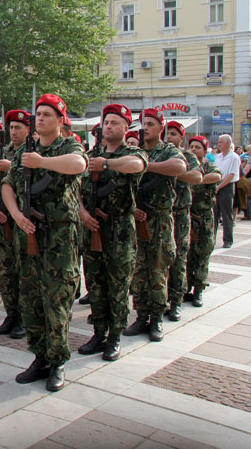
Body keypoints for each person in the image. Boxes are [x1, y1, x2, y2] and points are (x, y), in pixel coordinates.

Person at [2, 94, 87, 391]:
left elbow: (78, 164)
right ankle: (39, 356)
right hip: (29, 234)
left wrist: (43, 162)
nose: (40, 118)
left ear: (60, 120)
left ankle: (58, 361)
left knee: (58, 301)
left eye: (47, 114)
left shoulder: (69, 145)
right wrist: (16, 215)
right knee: (31, 299)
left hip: (60, 238)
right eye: (38, 113)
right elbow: (7, 185)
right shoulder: (26, 149)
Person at [77, 105, 147, 362]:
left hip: (119, 233)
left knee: (117, 287)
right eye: (106, 122)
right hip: (92, 230)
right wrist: (82, 212)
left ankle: (115, 337)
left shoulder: (131, 153)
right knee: (95, 285)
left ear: (126, 128)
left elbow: (137, 165)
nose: (108, 126)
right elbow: (75, 190)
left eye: (115, 123)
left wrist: (106, 164)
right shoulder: (90, 154)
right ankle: (98, 333)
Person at [124, 109, 186, 343]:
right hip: (136, 219)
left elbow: (179, 168)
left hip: (159, 220)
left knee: (158, 270)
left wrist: (145, 166)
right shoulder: (134, 152)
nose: (145, 128)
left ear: (161, 128)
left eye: (151, 124)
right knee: (139, 271)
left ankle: (157, 317)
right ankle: (141, 316)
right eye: (143, 124)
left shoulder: (168, 151)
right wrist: (132, 209)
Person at [0, 109, 31, 339]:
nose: (13, 132)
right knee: (6, 270)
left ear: (28, 130)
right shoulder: (2, 152)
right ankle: (11, 313)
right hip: (3, 220)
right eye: (11, 128)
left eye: (18, 128)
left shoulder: (31, 152)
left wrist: (11, 166)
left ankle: (24, 317)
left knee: (24, 270)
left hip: (23, 223)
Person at [164, 121, 202, 321]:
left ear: (181, 137)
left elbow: (197, 176)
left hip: (180, 214)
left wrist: (173, 171)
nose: (169, 137)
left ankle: (176, 301)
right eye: (166, 133)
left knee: (179, 258)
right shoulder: (160, 154)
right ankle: (159, 303)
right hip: (160, 214)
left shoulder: (187, 156)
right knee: (160, 261)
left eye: (173, 134)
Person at [186, 136, 222, 309]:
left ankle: (199, 289)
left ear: (205, 150)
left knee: (203, 252)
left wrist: (197, 178)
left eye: (197, 147)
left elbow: (216, 176)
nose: (193, 149)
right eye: (191, 146)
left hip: (204, 216)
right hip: (188, 216)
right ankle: (185, 287)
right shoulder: (186, 166)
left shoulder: (208, 166)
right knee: (187, 254)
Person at [213, 134, 240, 248]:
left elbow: (231, 175)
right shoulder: (218, 156)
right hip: (216, 185)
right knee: (214, 214)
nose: (219, 144)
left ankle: (228, 240)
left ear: (228, 143)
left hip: (227, 187)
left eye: (221, 142)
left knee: (226, 214)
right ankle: (212, 238)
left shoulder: (234, 157)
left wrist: (219, 187)